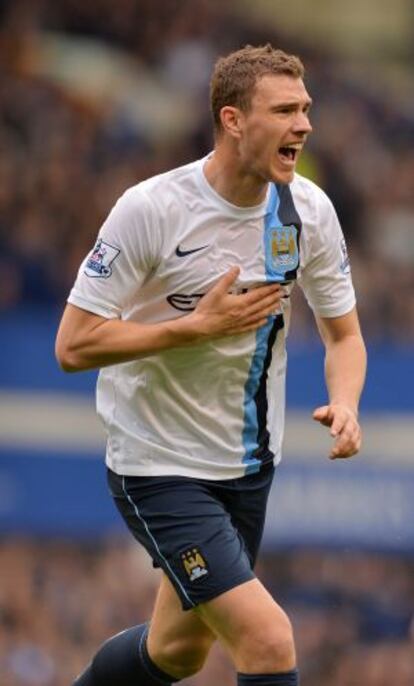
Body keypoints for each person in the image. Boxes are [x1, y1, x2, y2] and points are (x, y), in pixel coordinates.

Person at [55, 44, 366, 686]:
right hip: (158, 464)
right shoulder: (151, 209)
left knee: (176, 651)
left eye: (305, 109)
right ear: (232, 120)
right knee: (268, 640)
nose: (303, 125)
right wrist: (193, 328)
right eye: (284, 111)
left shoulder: (307, 210)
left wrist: (348, 402)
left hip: (248, 465)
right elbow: (73, 345)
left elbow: (345, 337)